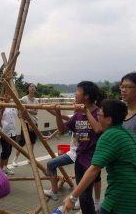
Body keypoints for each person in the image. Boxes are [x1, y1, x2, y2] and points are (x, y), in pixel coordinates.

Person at [63, 99, 136, 214]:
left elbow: (93, 169)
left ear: (109, 119)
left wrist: (72, 197)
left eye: (99, 114)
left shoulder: (108, 136)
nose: (97, 117)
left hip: (120, 198)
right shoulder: (130, 135)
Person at [52, 81, 102, 214]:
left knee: (85, 196)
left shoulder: (99, 113)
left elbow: (98, 129)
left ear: (86, 96)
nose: (76, 93)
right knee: (84, 196)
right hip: (80, 159)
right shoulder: (77, 115)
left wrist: (86, 111)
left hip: (92, 160)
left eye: (79, 90)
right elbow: (62, 129)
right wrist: (57, 113)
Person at [12, 83, 38, 167]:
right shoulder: (24, 99)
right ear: (28, 89)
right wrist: (29, 112)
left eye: (33, 86)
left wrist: (28, 110)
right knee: (22, 141)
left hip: (34, 122)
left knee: (32, 141)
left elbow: (36, 112)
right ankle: (15, 159)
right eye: (30, 86)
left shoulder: (36, 100)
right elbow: (22, 111)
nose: (32, 88)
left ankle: (30, 158)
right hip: (26, 123)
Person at [0, 95, 16, 175]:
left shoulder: (12, 105)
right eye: (6, 95)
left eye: (9, 95)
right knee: (5, 151)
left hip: (12, 131)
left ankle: (6, 167)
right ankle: (2, 169)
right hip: (4, 132)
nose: (8, 97)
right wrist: (0, 104)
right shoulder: (0, 105)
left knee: (9, 151)